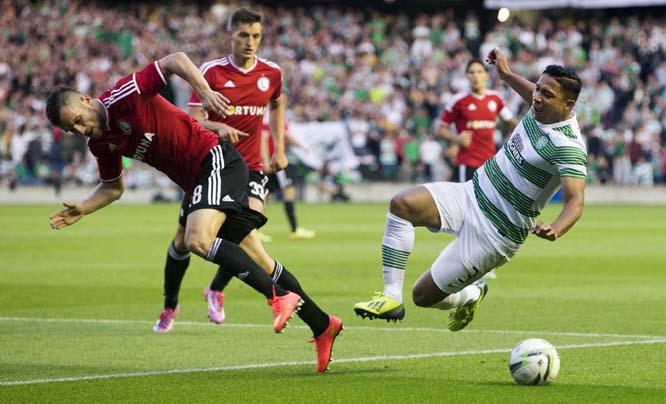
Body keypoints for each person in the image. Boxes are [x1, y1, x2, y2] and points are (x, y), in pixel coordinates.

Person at [45, 51, 342, 373]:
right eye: (71, 129)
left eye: (78, 119)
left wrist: (203, 92)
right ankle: (323, 323)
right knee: (257, 257)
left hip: (215, 160)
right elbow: (113, 188)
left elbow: (175, 60)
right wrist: (84, 209)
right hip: (198, 181)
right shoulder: (101, 145)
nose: (80, 129)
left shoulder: (124, 94)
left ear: (87, 100)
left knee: (197, 239)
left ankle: (278, 297)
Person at [353, 47, 586, 331]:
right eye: (538, 89)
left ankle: (472, 293)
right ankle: (390, 297)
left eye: (547, 95)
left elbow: (575, 202)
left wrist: (556, 228)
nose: (536, 98)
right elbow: (530, 93)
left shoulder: (568, 146)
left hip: (495, 234)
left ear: (568, 105)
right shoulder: (541, 108)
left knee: (423, 296)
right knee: (402, 204)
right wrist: (506, 74)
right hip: (471, 193)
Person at [157, 9, 300, 330]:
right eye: (243, 36)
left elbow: (277, 106)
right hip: (211, 166)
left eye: (256, 36)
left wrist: (278, 147)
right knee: (183, 241)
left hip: (251, 167)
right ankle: (170, 306)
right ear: (231, 36)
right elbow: (190, 119)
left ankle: (216, 289)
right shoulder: (212, 71)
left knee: (246, 234)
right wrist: (217, 125)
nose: (250, 42)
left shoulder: (272, 73)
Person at [436, 59, 517, 279]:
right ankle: (468, 260)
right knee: (469, 212)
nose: (475, 75)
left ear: (485, 75)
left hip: (491, 163)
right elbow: (440, 129)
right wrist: (456, 138)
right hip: (467, 162)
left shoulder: (496, 100)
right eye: (471, 72)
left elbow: (511, 122)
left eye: (479, 71)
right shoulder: (458, 101)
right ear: (466, 76)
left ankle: (486, 260)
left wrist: (505, 131)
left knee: (494, 210)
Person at [260, 106, 316, 241]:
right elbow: (263, 139)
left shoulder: (278, 114)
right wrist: (266, 161)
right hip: (276, 162)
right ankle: (295, 230)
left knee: (265, 195)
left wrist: (301, 146)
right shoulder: (269, 115)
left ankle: (253, 230)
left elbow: (285, 135)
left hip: (276, 160)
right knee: (288, 191)